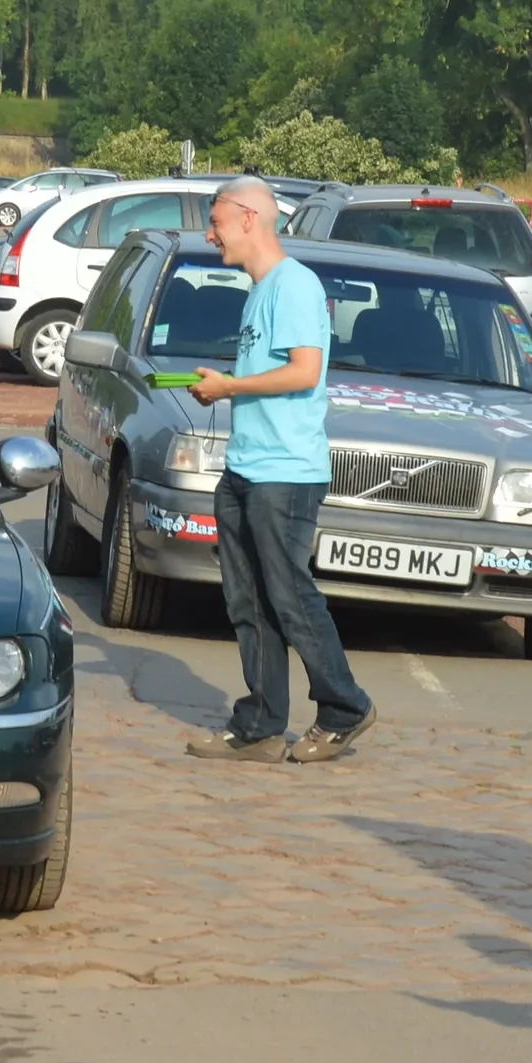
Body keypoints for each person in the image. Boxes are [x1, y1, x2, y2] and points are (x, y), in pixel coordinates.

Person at [182, 177, 378, 764]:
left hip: (285, 473)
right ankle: (261, 725)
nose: (209, 232)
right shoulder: (260, 290)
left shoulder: (294, 285)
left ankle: (345, 708)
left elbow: (303, 371)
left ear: (248, 218)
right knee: (250, 602)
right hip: (246, 467)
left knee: (290, 596)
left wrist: (228, 386)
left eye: (216, 220)